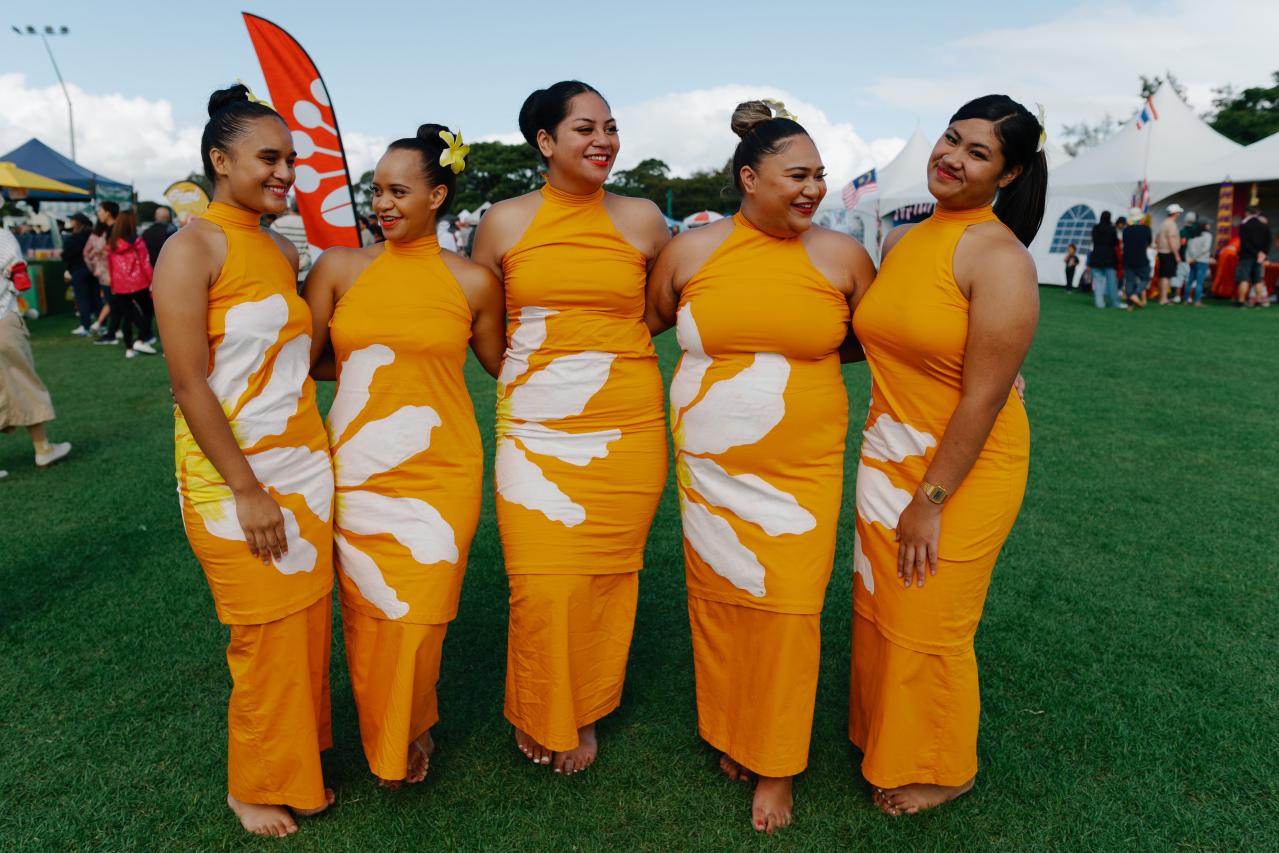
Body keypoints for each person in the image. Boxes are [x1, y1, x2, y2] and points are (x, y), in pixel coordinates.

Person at [646, 100, 874, 834]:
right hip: (708, 466)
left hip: (799, 469)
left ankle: (776, 762)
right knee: (721, 602)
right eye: (796, 175)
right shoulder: (690, 252)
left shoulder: (842, 257)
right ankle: (734, 731)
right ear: (749, 177)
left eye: (819, 176)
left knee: (788, 609)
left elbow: (879, 339)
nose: (812, 189)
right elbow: (649, 316)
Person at [151, 83, 336, 838]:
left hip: (305, 466)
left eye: (290, 158)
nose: (286, 171)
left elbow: (290, 358)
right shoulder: (190, 246)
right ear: (220, 160)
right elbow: (190, 381)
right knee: (262, 631)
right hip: (234, 476)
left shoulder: (281, 245)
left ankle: (303, 756)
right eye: (269, 157)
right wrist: (246, 487)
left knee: (305, 626)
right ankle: (254, 781)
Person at [850, 94, 1041, 817]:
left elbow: (983, 399)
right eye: (949, 139)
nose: (950, 158)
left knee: (930, 617)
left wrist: (929, 500)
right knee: (880, 602)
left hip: (960, 468)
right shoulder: (903, 240)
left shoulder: (1000, 258)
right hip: (886, 449)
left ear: (1008, 173)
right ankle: (880, 736)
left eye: (977, 152)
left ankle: (941, 764)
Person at [472, 80, 670, 776]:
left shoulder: (645, 218)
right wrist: (547, 380)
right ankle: (543, 706)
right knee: (543, 580)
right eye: (585, 128)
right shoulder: (501, 221)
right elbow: (484, 330)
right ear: (546, 142)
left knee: (607, 579)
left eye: (611, 127)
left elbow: (669, 306)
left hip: (628, 426)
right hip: (534, 428)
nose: (604, 141)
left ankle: (581, 708)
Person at [302, 125, 505, 788]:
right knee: (370, 614)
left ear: (437, 195)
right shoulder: (338, 268)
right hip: (356, 467)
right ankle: (394, 733)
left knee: (419, 613)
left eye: (398, 190)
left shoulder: (474, 280)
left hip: (442, 469)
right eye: (376, 190)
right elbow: (306, 359)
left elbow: (503, 363)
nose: (381, 203)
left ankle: (407, 727)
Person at [0, 224, 72, 471]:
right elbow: (18, 277)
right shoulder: (3, 237)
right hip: (3, 320)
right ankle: (43, 448)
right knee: (24, 382)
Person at [105, 210, 158, 357]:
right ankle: (141, 339)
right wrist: (152, 281)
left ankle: (129, 349)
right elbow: (145, 263)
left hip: (120, 284)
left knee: (126, 316)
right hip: (139, 282)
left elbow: (110, 265)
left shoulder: (112, 243)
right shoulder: (137, 241)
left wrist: (113, 284)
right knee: (148, 310)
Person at [61, 213, 101, 336]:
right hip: (93, 270)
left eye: (72, 220)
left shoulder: (73, 239)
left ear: (77, 222)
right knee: (96, 297)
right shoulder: (92, 236)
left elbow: (66, 255)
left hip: (79, 270)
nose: (71, 222)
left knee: (82, 298)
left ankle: (86, 326)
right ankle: (101, 324)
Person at [269, 198, 311, 288]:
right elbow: (310, 251)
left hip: (282, 274)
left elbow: (270, 248)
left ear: (291, 207)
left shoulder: (277, 224)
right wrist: (299, 265)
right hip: (303, 276)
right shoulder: (308, 226)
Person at [1237, 205, 1272, 308]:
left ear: (1247, 213)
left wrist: (1256, 253)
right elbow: (1268, 241)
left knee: (1244, 279)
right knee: (1257, 280)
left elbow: (1244, 243)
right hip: (1260, 257)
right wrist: (1263, 253)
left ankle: (1241, 302)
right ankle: (1259, 301)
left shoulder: (1244, 226)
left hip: (1247, 256)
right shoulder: (1264, 226)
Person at [1088, 211, 1122, 308]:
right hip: (1109, 259)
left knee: (1098, 283)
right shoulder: (1112, 229)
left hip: (1096, 258)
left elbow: (1094, 241)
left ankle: (1099, 303)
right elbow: (1115, 243)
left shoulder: (1095, 228)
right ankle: (1114, 303)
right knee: (1112, 284)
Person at [1122, 210, 1152, 308]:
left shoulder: (1126, 230)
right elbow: (1149, 242)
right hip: (1141, 258)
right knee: (1145, 278)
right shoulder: (1146, 229)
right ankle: (1136, 294)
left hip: (1127, 259)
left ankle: (1129, 305)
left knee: (1129, 281)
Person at [1154, 204, 1182, 305]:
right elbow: (1171, 239)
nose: (1179, 214)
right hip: (1168, 252)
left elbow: (1157, 238)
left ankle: (1162, 297)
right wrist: (1177, 255)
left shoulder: (1163, 223)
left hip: (1162, 252)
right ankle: (1164, 298)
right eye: (1178, 212)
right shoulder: (1171, 224)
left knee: (1163, 276)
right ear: (1175, 213)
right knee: (1166, 276)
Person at [1183, 221, 1212, 306]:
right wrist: (1195, 258)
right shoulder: (1207, 236)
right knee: (1199, 281)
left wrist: (1189, 259)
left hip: (1192, 261)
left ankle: (1186, 299)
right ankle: (1197, 301)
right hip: (1202, 261)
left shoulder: (1193, 236)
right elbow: (1206, 248)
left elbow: (1188, 249)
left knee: (1190, 280)